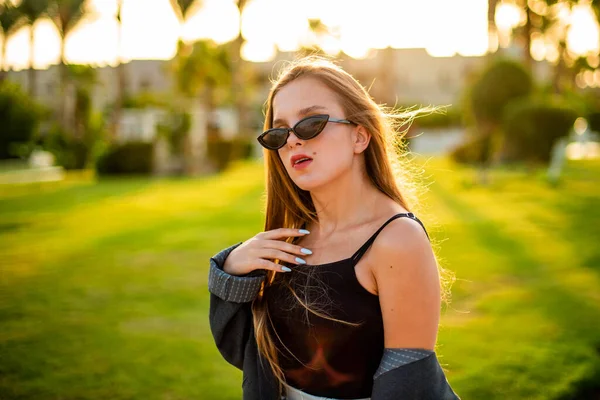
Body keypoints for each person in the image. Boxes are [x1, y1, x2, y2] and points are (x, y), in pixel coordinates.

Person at [208, 56, 460, 400]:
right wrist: (233, 269)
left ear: (360, 137)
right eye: (279, 131)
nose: (292, 141)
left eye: (311, 122)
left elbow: (407, 384)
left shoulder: (397, 240)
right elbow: (255, 356)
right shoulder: (292, 235)